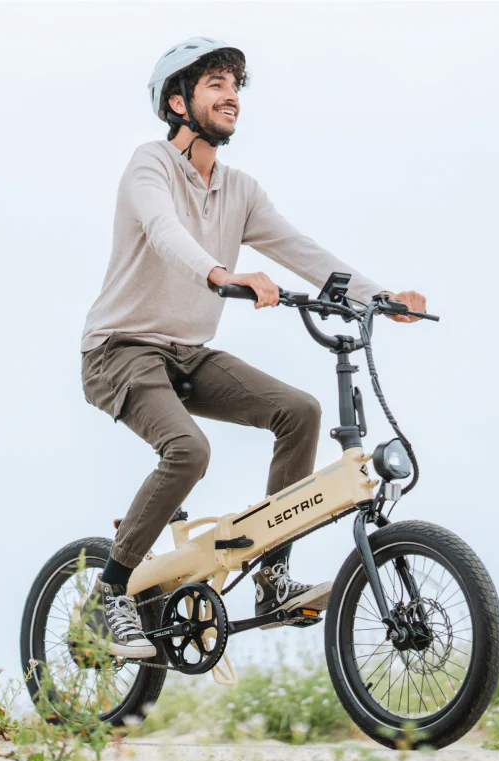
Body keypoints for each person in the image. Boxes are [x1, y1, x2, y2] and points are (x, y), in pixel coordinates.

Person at [78, 37, 427, 658]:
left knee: (300, 412)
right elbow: (163, 231)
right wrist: (221, 274)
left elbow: (301, 250)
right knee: (188, 451)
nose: (231, 95)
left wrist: (381, 297)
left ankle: (272, 579)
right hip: (120, 351)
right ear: (178, 102)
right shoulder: (149, 165)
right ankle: (108, 594)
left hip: (188, 354)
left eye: (236, 85)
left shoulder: (239, 190)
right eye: (215, 84)